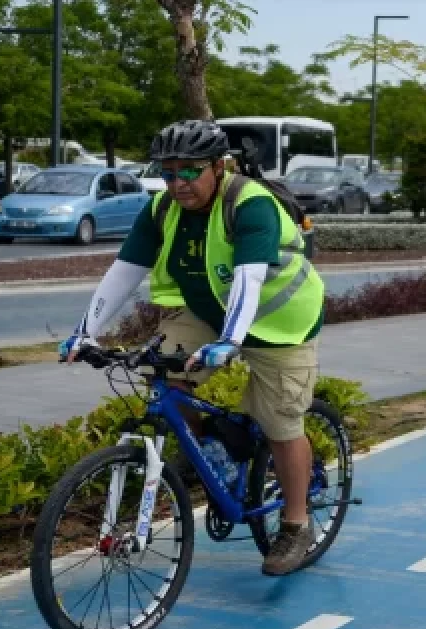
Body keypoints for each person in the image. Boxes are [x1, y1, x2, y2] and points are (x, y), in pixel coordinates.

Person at [59, 119, 326, 576]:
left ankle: (296, 524)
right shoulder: (162, 208)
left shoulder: (250, 203)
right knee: (164, 378)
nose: (177, 182)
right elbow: (126, 270)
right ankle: (215, 455)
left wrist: (230, 342)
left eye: (189, 171)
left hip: (280, 320)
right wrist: (86, 332)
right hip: (206, 311)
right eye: (167, 172)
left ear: (218, 167)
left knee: (281, 422)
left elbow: (249, 278)